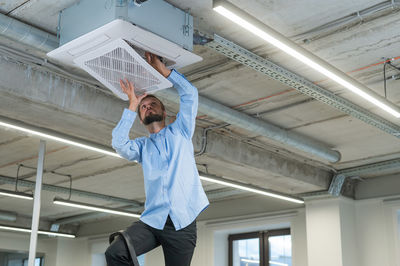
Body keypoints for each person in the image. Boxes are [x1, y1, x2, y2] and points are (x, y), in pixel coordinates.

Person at [105, 52, 209, 266]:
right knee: (115, 253)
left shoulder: (180, 131)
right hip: (153, 221)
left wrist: (165, 72)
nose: (147, 106)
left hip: (183, 223)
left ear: (163, 111)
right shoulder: (142, 147)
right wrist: (132, 105)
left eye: (152, 103)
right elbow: (119, 143)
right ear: (140, 117)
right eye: (143, 107)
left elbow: (190, 93)